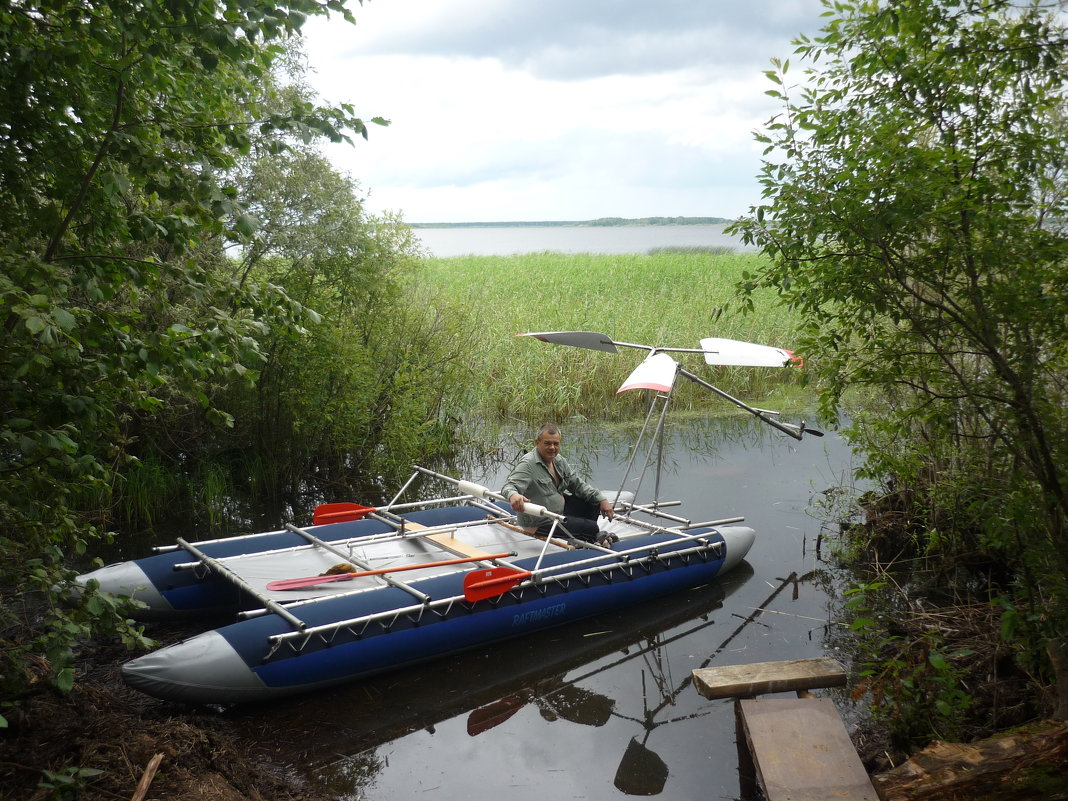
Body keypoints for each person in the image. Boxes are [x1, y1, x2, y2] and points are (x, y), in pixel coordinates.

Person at [501, 423, 617, 545]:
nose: (552, 447)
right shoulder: (528, 464)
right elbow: (508, 486)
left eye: (556, 443)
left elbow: (577, 484)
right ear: (537, 442)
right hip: (541, 521)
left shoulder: (558, 460)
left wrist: (602, 499)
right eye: (547, 443)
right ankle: (588, 537)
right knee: (591, 528)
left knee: (593, 503)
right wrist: (513, 495)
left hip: (559, 512)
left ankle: (580, 540)